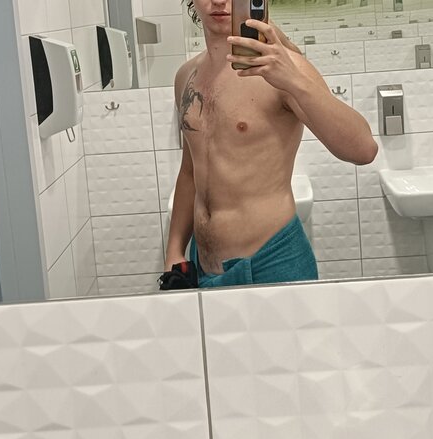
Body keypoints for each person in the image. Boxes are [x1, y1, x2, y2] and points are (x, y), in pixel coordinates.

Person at [161, 0, 378, 288]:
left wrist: (293, 80)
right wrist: (174, 249)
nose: (219, 1)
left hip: (272, 263)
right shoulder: (185, 77)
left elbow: (364, 149)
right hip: (203, 269)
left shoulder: (286, 68)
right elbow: (190, 171)